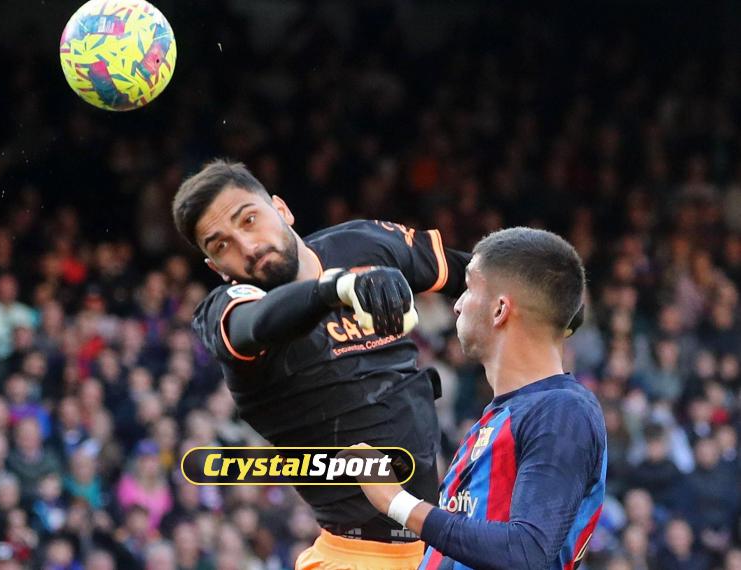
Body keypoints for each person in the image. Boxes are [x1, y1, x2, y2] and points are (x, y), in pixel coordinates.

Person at [172, 159, 470, 568]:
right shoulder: (225, 312)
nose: (248, 246)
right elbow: (253, 323)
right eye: (221, 245)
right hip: (357, 557)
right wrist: (335, 288)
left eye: (249, 219)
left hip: (441, 541)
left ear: (282, 209)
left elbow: (478, 274)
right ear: (216, 269)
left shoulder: (363, 244)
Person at [347, 227, 606, 569]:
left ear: (500, 309)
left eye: (468, 288)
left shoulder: (561, 411)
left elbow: (526, 553)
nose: (456, 306)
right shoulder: (504, 415)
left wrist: (397, 503)